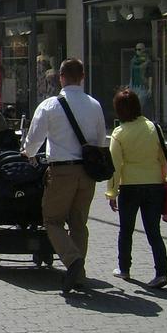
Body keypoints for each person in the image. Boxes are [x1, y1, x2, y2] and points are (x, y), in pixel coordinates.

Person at [21, 58, 107, 293]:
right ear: (82, 77)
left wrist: (27, 153)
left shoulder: (50, 105)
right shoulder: (94, 104)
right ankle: (78, 275)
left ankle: (72, 260)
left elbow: (35, 138)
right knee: (79, 222)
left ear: (61, 77)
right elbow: (100, 141)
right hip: (88, 171)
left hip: (61, 171)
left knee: (52, 220)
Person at [105, 89, 167, 289]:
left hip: (130, 187)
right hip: (154, 186)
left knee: (126, 230)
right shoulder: (153, 128)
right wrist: (161, 179)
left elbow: (115, 166)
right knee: (153, 231)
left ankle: (124, 268)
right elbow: (163, 158)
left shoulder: (119, 133)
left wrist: (112, 192)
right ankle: (161, 273)